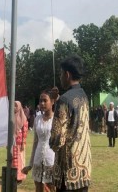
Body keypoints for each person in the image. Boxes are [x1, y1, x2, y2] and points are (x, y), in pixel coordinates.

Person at [49, 54, 92, 191]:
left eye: (61, 74)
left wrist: (51, 143)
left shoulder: (64, 100)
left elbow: (57, 138)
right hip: (84, 165)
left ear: (67, 74)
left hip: (68, 170)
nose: (60, 77)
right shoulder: (84, 95)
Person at [22, 88, 56, 192]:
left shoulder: (56, 119)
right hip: (38, 158)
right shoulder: (37, 119)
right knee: (38, 188)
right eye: (40, 100)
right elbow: (35, 142)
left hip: (52, 159)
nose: (42, 103)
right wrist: (30, 164)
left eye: (45, 100)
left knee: (51, 188)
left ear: (52, 102)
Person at [13, 101, 28, 184]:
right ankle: (13, 175)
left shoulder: (23, 117)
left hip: (19, 143)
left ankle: (19, 177)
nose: (14, 107)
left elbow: (25, 131)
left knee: (20, 160)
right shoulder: (12, 116)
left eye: (16, 106)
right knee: (13, 160)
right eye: (13, 106)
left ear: (19, 107)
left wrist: (23, 143)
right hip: (13, 143)